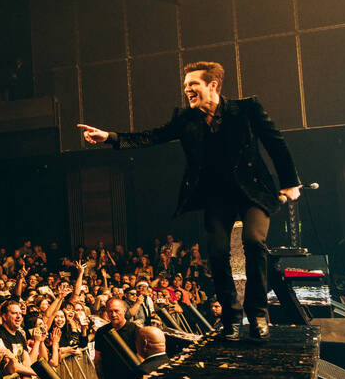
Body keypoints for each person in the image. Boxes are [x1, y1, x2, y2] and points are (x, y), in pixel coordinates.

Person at [78, 60, 300, 340]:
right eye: (185, 87)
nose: (187, 91)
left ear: (213, 85)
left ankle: (257, 313)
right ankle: (231, 317)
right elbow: (152, 136)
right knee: (217, 253)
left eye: (193, 85)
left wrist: (291, 183)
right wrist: (109, 136)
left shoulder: (246, 109)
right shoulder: (186, 119)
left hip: (252, 192)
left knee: (254, 242)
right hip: (216, 198)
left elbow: (275, 142)